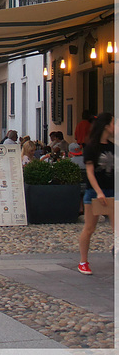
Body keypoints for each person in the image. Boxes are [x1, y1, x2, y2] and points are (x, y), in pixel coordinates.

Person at [78, 112, 114, 275]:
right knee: (90, 228)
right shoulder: (91, 147)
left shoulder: (114, 146)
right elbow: (90, 173)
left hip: (113, 191)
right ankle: (83, 261)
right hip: (94, 193)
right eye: (114, 123)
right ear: (107, 126)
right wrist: (99, 192)